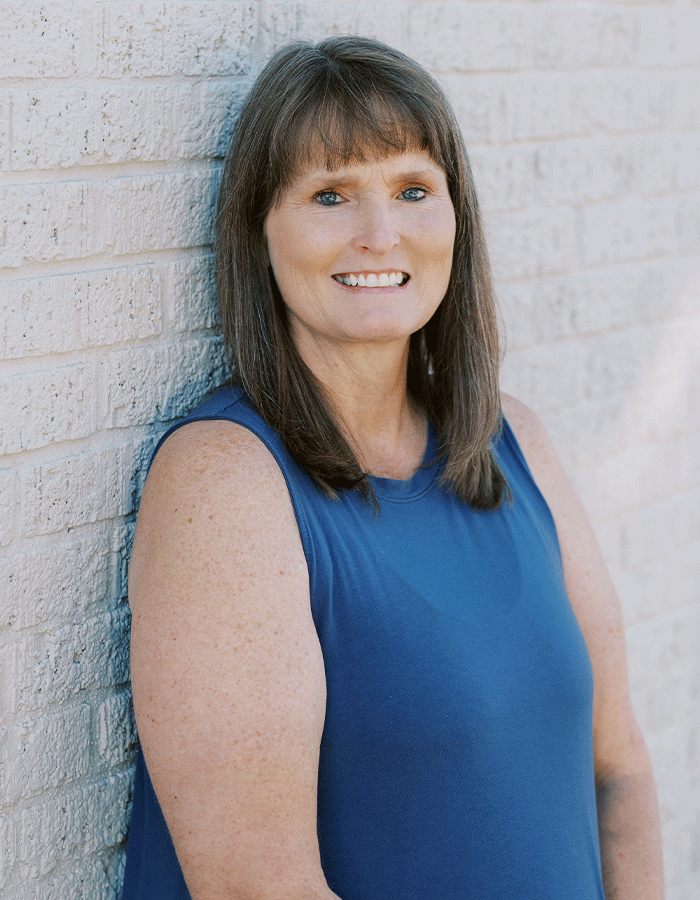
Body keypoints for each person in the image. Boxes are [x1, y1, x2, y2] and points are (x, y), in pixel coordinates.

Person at [120, 36, 664, 900]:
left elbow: (620, 773)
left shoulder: (512, 442)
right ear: (260, 230)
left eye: (413, 189)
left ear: (456, 217)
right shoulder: (226, 481)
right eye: (330, 195)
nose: (381, 234)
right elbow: (256, 887)